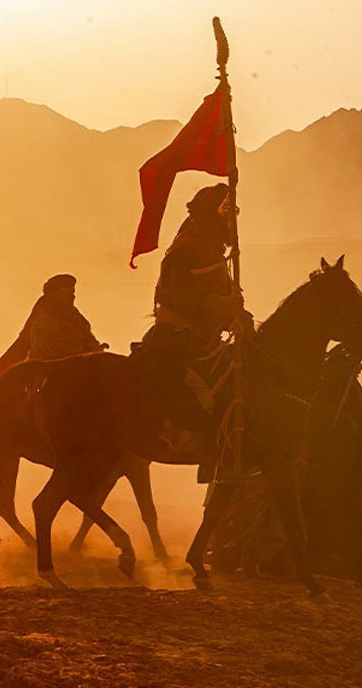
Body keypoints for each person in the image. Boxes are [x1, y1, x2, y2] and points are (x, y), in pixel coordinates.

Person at [0, 274, 105, 483]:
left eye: (73, 293)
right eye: (68, 293)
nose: (72, 297)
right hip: (49, 375)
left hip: (79, 371)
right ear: (55, 295)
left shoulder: (76, 317)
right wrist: (82, 353)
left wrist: (96, 349)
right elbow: (49, 352)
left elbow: (89, 338)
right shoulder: (43, 322)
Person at [139, 183, 248, 473]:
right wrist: (226, 307)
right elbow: (188, 304)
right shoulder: (184, 252)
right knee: (202, 393)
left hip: (206, 338)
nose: (229, 223)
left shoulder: (212, 253)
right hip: (177, 337)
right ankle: (191, 442)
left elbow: (223, 298)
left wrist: (241, 316)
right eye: (225, 216)